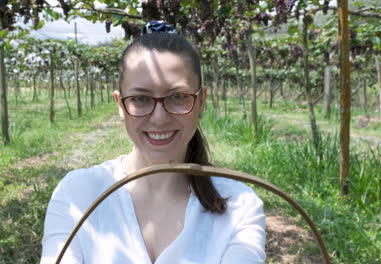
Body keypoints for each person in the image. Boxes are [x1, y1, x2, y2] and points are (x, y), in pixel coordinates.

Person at [40, 21, 266, 264]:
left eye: (178, 97)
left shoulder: (240, 206)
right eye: (140, 98)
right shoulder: (76, 194)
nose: (159, 118)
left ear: (201, 101)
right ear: (120, 104)